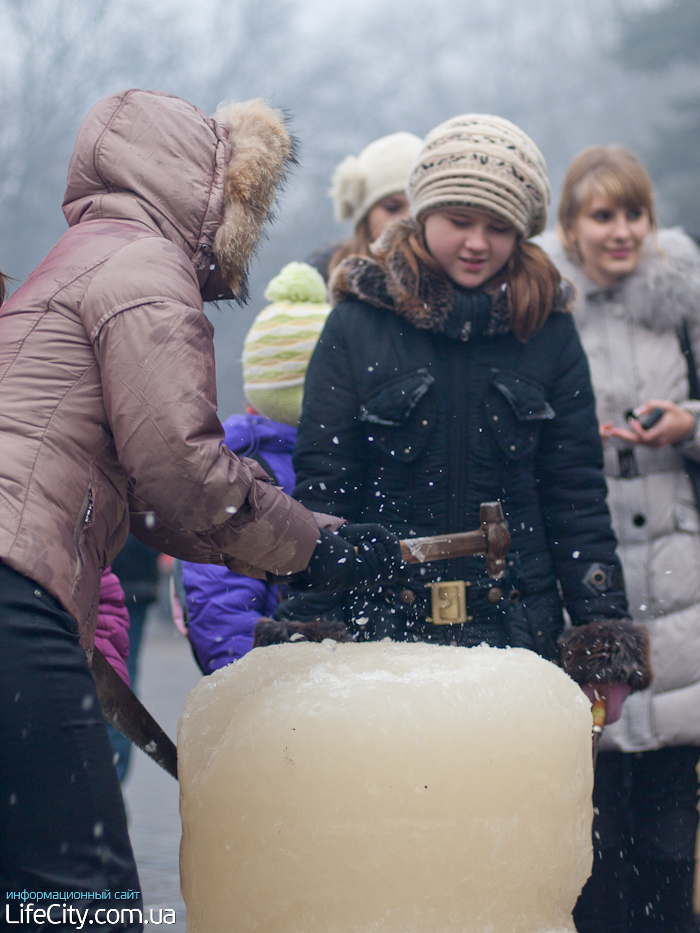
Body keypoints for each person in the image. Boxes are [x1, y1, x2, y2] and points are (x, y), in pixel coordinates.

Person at [0, 89, 400, 927]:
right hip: (15, 594)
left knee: (26, 887)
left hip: (22, 585)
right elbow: (187, 475)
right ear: (214, 192)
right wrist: (317, 549)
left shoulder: (71, 260)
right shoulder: (145, 270)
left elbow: (149, 503)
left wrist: (299, 539)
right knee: (84, 895)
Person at [292, 114, 634, 675]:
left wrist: (602, 639)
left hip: (520, 632)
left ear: (521, 232)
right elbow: (325, 491)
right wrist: (307, 628)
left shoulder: (548, 329)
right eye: (459, 220)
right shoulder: (356, 325)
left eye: (498, 227)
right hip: (378, 632)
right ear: (423, 213)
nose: (478, 243)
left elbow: (576, 497)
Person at [543, 145, 700, 933]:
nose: (622, 230)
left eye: (634, 212)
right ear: (570, 226)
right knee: (596, 838)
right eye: (603, 214)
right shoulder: (545, 310)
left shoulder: (684, 300)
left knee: (673, 841)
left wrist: (689, 425)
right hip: (592, 578)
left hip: (681, 583)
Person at [181, 260, 332, 673]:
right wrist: (247, 681)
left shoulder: (234, 457)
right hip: (271, 681)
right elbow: (223, 603)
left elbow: (216, 601)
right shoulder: (244, 466)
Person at [306, 131, 422, 280]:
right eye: (392, 207)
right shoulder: (319, 278)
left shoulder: (454, 280)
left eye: (418, 208)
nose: (408, 219)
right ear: (365, 215)